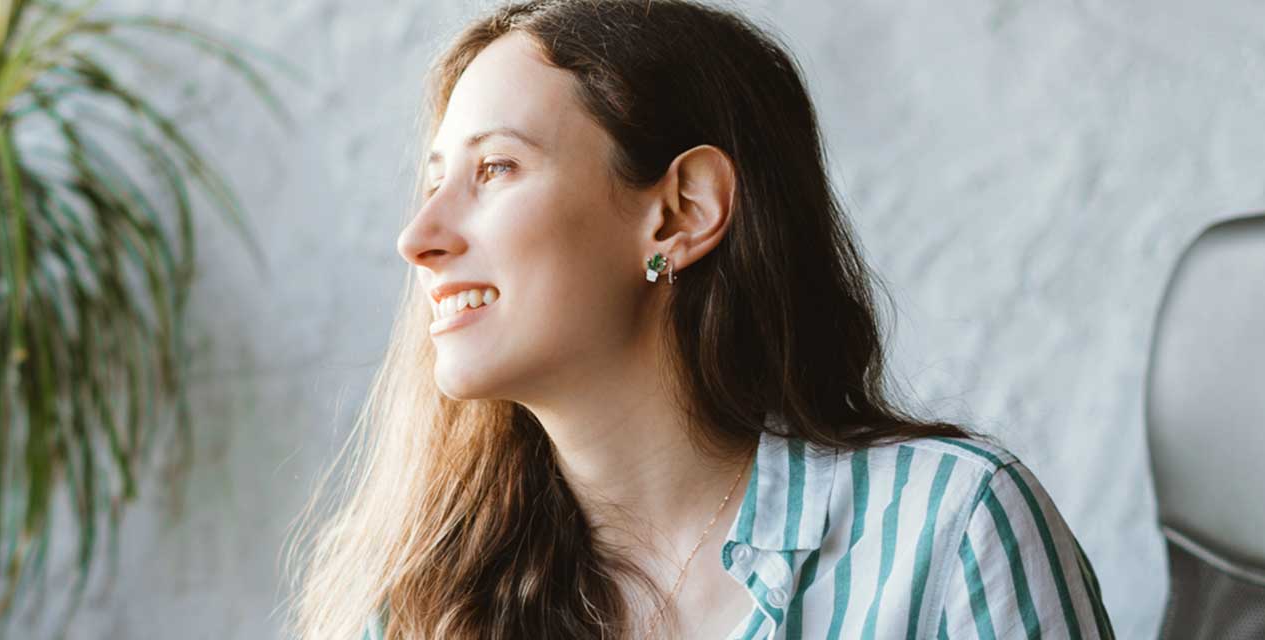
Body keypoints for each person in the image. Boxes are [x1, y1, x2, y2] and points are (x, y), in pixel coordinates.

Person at [290, 1, 1114, 638]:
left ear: (683, 211)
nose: (419, 238)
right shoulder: (422, 605)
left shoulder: (950, 528)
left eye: (495, 168)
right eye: (433, 182)